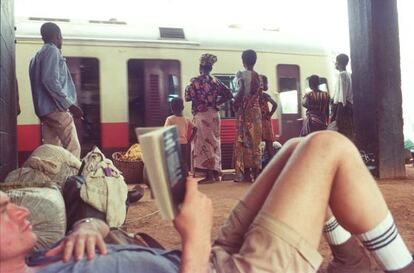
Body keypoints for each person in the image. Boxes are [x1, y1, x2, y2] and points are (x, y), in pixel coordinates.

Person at [2, 131, 414, 273]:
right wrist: (197, 237)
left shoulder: (34, 261)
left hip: (199, 258)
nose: (18, 208)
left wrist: (93, 226)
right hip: (205, 262)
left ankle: (350, 262)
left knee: (295, 148)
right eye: (3, 212)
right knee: (328, 148)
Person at [29, 22, 83, 159]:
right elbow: (50, 80)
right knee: (73, 147)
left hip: (45, 112)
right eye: (61, 36)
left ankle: (54, 178)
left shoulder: (36, 57)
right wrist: (69, 105)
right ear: (58, 36)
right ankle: (72, 177)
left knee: (53, 150)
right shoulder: (52, 51)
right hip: (56, 110)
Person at [185, 53, 233, 184]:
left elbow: (187, 97)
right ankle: (216, 173)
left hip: (202, 116)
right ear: (211, 68)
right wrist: (216, 103)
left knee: (204, 144)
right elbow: (229, 94)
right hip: (215, 115)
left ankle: (209, 176)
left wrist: (202, 103)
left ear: (200, 66)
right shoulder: (215, 81)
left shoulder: (194, 81)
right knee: (214, 143)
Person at [233, 49, 263, 182]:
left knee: (243, 141)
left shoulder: (240, 74)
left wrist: (235, 102)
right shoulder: (259, 76)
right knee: (255, 142)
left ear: (243, 60)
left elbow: (240, 90)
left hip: (244, 112)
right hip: (256, 112)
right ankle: (256, 173)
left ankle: (243, 174)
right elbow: (259, 96)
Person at [164, 97, 197, 173]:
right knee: (184, 161)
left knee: (175, 162)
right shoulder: (186, 119)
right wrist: (189, 141)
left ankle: (177, 177)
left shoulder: (170, 119)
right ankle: (185, 175)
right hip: (184, 144)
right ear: (183, 107)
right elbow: (195, 128)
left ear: (171, 108)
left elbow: (165, 131)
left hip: (174, 144)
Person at [330, 53, 354, 140]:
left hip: (342, 109)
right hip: (349, 108)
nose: (335, 64)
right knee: (348, 133)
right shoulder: (349, 74)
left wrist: (337, 117)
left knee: (341, 134)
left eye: (336, 62)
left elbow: (342, 98)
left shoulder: (342, 75)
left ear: (339, 63)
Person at [259, 74, 278, 161]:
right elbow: (275, 104)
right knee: (269, 148)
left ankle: (258, 171)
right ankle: (272, 168)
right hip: (266, 122)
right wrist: (269, 114)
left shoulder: (255, 97)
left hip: (258, 122)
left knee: (257, 148)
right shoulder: (265, 96)